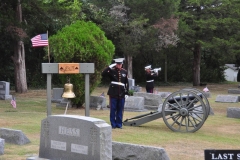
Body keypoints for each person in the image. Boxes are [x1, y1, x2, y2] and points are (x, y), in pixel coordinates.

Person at [101, 58, 129, 129]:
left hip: (121, 92)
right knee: (113, 109)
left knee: (120, 109)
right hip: (113, 92)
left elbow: (126, 83)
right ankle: (113, 124)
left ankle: (119, 124)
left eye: (120, 64)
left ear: (122, 64)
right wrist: (110, 66)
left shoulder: (124, 72)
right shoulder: (111, 71)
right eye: (117, 64)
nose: (119, 65)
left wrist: (126, 93)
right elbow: (103, 74)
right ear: (116, 64)